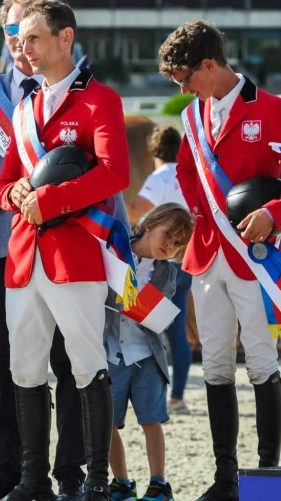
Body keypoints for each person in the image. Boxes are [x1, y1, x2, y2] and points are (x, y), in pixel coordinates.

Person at [161, 20, 281, 501]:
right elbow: (186, 169)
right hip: (206, 254)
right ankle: (226, 478)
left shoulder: (271, 109)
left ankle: (267, 477)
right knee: (215, 365)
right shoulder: (193, 114)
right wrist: (198, 210)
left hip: (252, 257)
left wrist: (275, 214)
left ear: (208, 65)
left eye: (185, 78)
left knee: (260, 360)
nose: (183, 88)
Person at [0, 0, 129, 501]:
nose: (23, 48)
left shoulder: (101, 100)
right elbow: (3, 183)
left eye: (33, 38)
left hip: (75, 256)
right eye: (20, 39)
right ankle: (34, 481)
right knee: (25, 368)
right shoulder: (23, 108)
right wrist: (15, 194)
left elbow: (115, 173)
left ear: (65, 38)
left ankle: (95, 481)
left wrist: (49, 199)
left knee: (87, 365)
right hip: (23, 257)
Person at [0, 0, 91, 501]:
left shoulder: (76, 88)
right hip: (1, 245)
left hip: (67, 241)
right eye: (12, 29)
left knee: (69, 361)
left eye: (29, 30)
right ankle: (10, 472)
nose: (20, 40)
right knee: (8, 362)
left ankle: (70, 473)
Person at [107, 204, 194, 501]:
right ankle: (121, 483)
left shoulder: (168, 273)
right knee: (107, 423)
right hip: (111, 353)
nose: (170, 244)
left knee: (151, 421)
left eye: (178, 243)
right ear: (149, 224)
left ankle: (159, 484)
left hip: (147, 355)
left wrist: (136, 303)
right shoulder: (115, 251)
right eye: (167, 234)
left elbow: (157, 318)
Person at [126, 126, 193, 415]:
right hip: (184, 259)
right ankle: (177, 396)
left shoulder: (161, 176)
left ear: (154, 152)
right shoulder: (189, 175)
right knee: (177, 332)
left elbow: (136, 212)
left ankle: (142, 392)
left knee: (145, 329)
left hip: (160, 264)